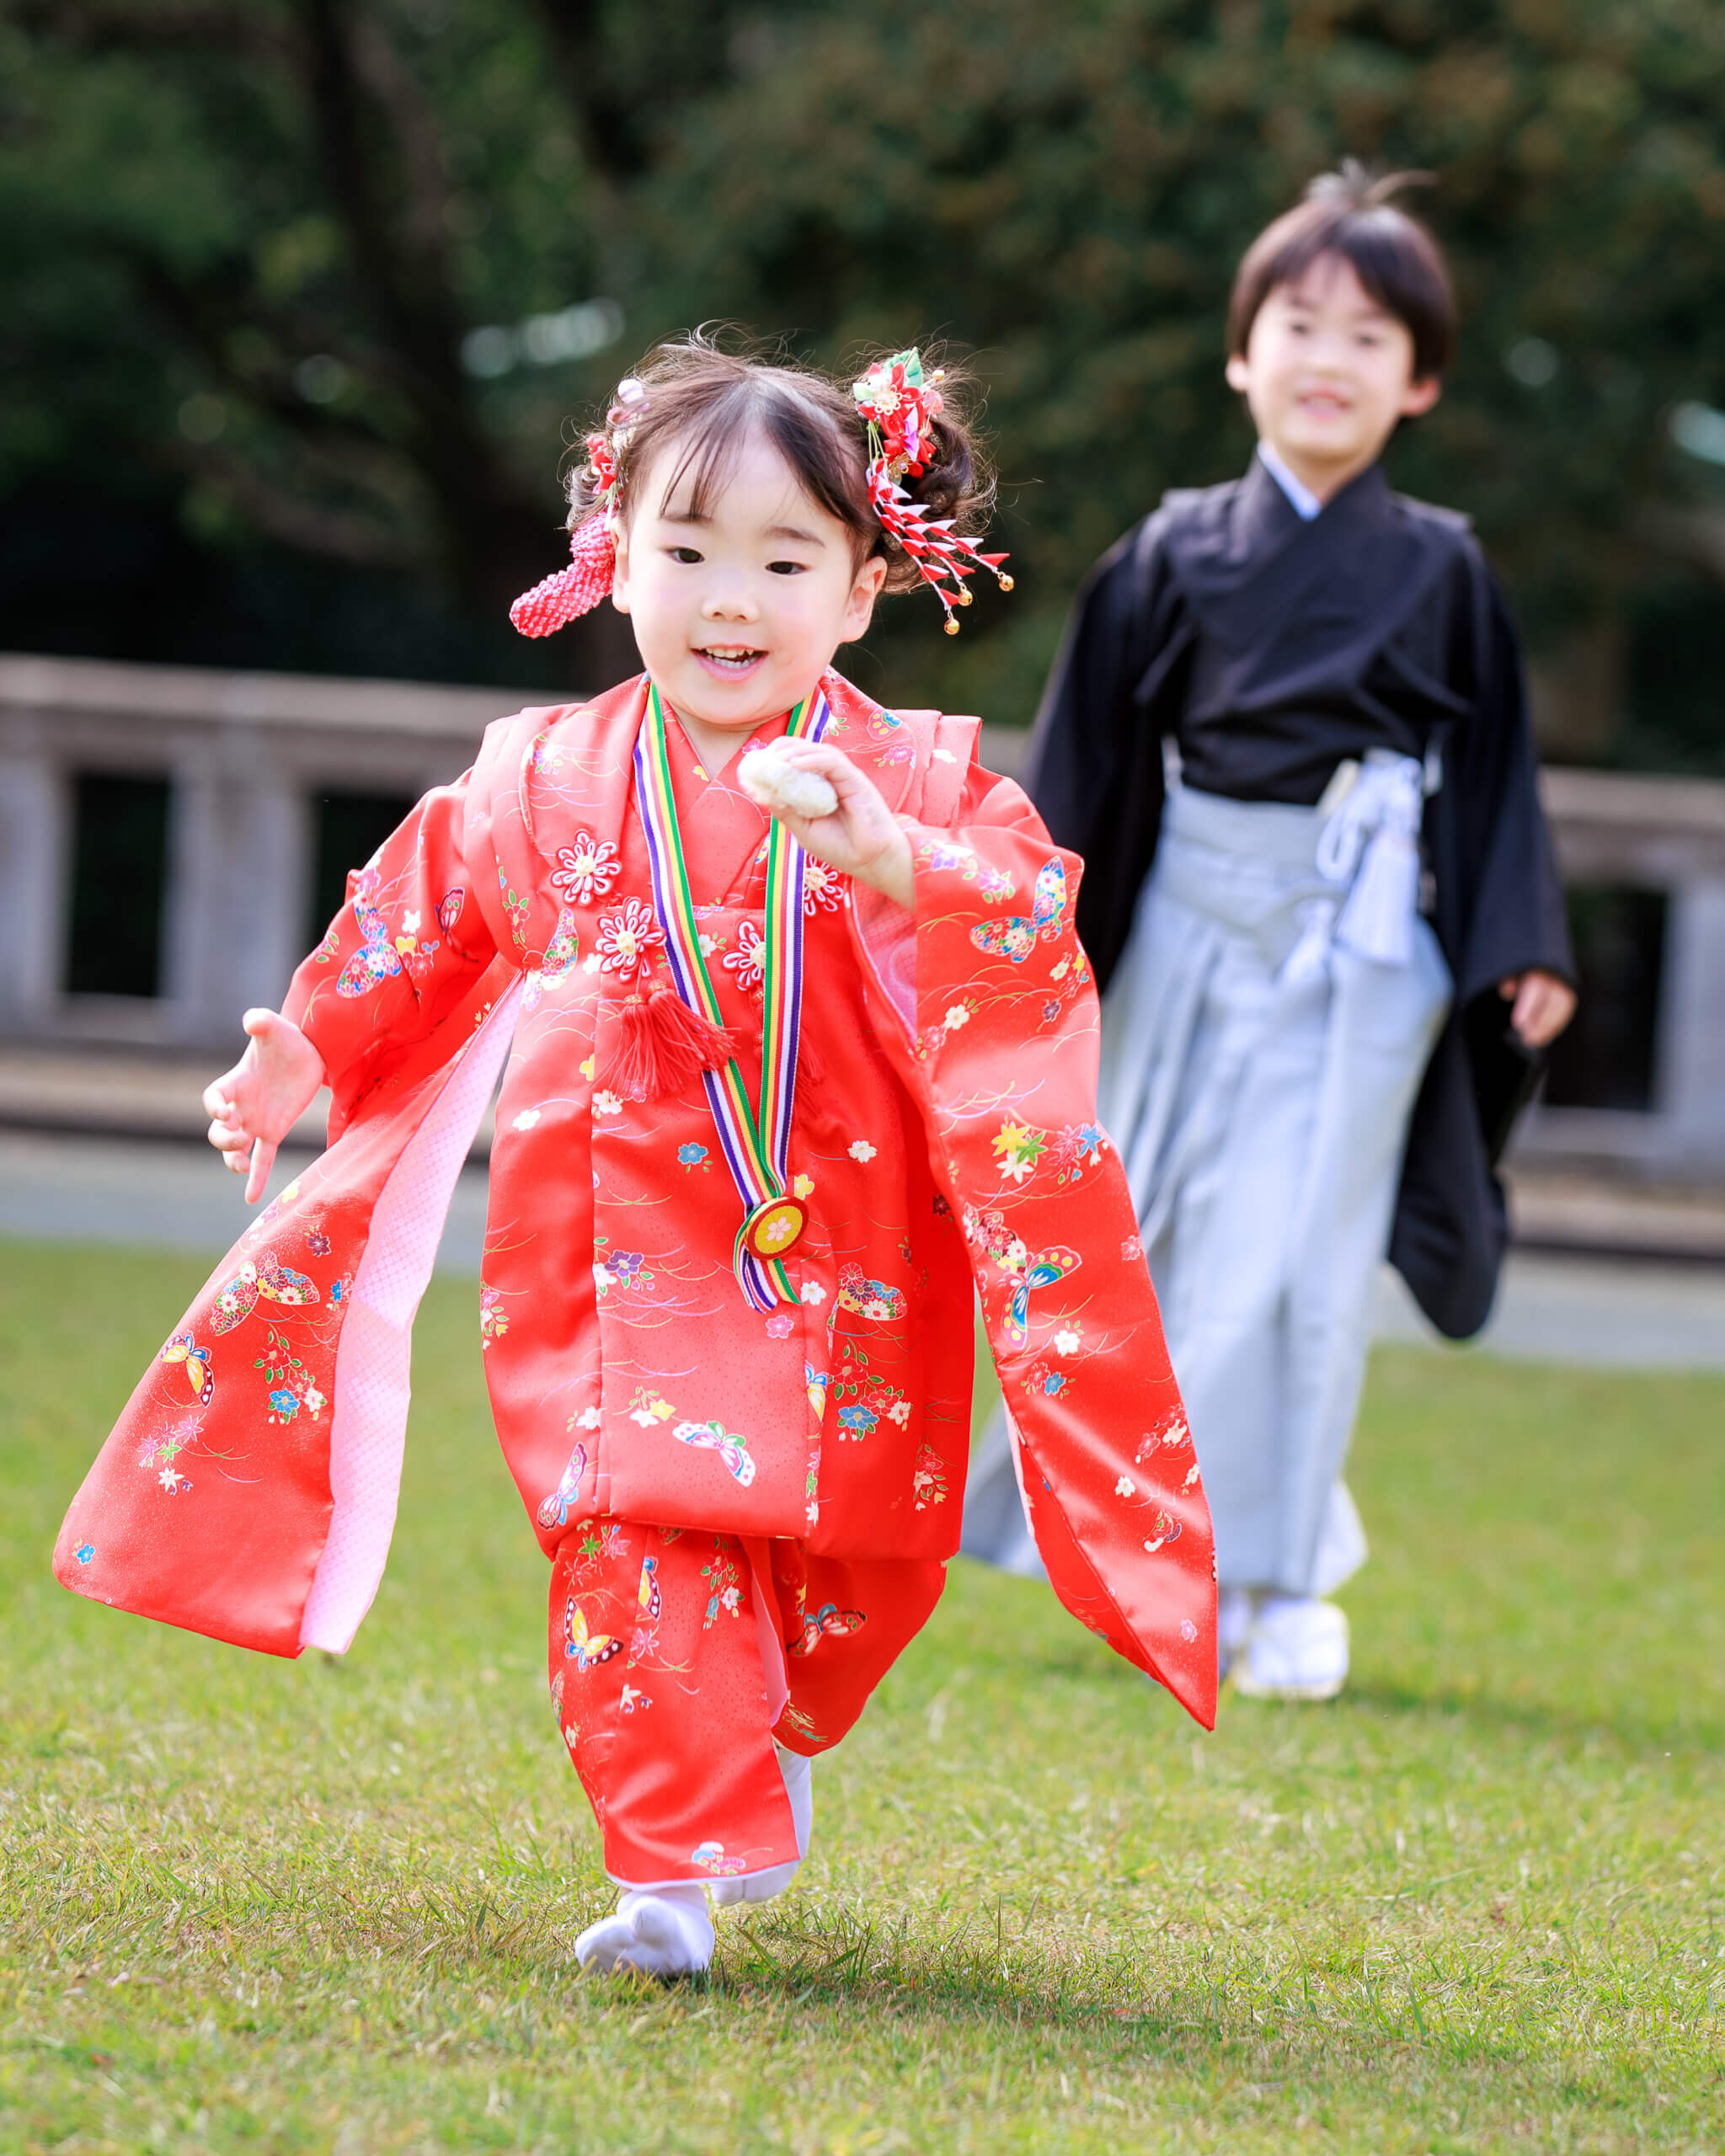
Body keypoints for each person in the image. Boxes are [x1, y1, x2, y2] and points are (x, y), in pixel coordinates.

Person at [55, 337, 1215, 1978]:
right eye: (686, 550)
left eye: (784, 560)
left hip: (850, 1249)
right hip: (611, 1238)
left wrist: (895, 858)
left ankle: (764, 1733)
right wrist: (305, 1042)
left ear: (862, 588)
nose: (728, 599)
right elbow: (421, 915)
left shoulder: (917, 777)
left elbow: (1027, 918)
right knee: (629, 1524)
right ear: (615, 558)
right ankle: (667, 1873)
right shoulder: (543, 778)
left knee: (853, 1565)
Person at [963, 167, 1576, 1703]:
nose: (1328, 359)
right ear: (1242, 354)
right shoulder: (1169, 553)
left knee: (1301, 1266)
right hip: (1186, 916)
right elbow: (1084, 768)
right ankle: (1140, 1552)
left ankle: (1282, 1584)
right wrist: (1028, 929)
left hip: (1360, 949)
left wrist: (1522, 943)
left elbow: (1495, 776)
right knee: (1150, 1239)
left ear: (1420, 380)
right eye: (1299, 324)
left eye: (1371, 337)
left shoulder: (1443, 568)